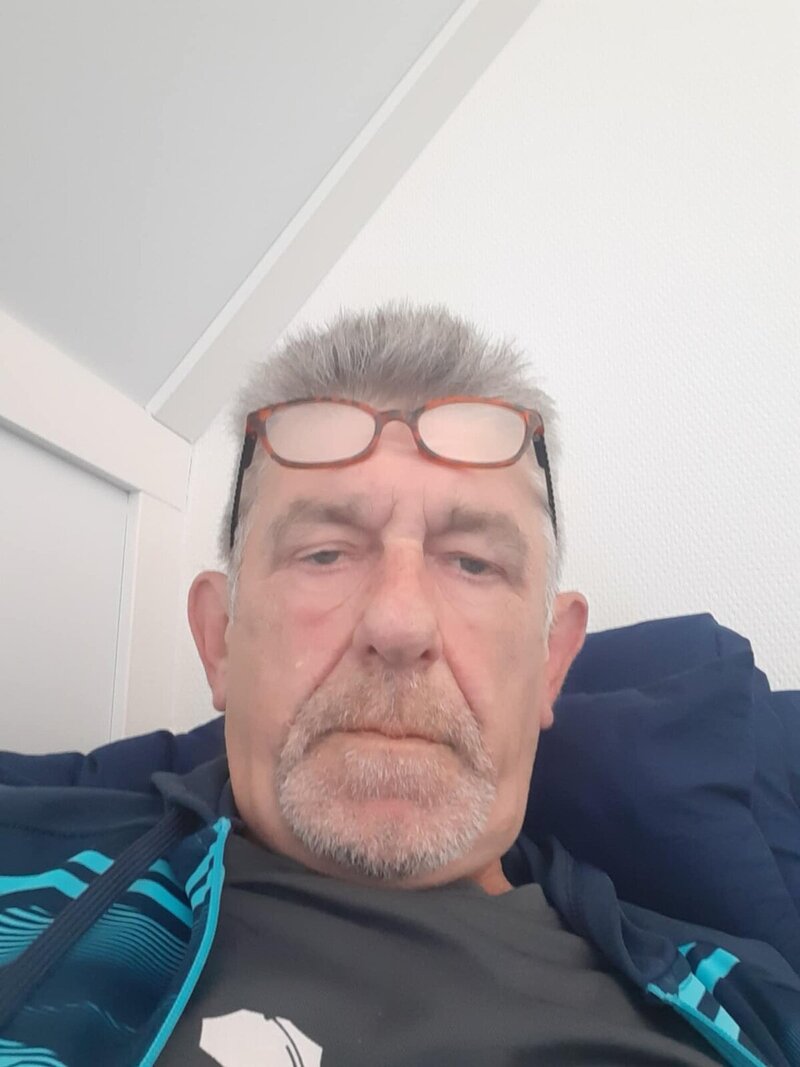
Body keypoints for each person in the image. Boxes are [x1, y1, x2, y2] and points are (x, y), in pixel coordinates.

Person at [0, 304, 794, 1066]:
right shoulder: (24, 874)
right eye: (324, 552)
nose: (400, 620)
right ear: (220, 640)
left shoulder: (748, 1008)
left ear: (552, 661)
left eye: (472, 562)